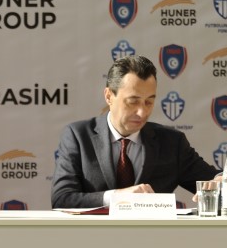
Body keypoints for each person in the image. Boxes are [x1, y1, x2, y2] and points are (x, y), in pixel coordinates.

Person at [51, 55, 218, 209]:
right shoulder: (78, 136)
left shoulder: (171, 142)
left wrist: (223, 182)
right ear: (109, 96)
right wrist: (117, 197)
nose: (142, 112)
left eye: (149, 102)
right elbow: (62, 199)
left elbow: (216, 181)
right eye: (133, 102)